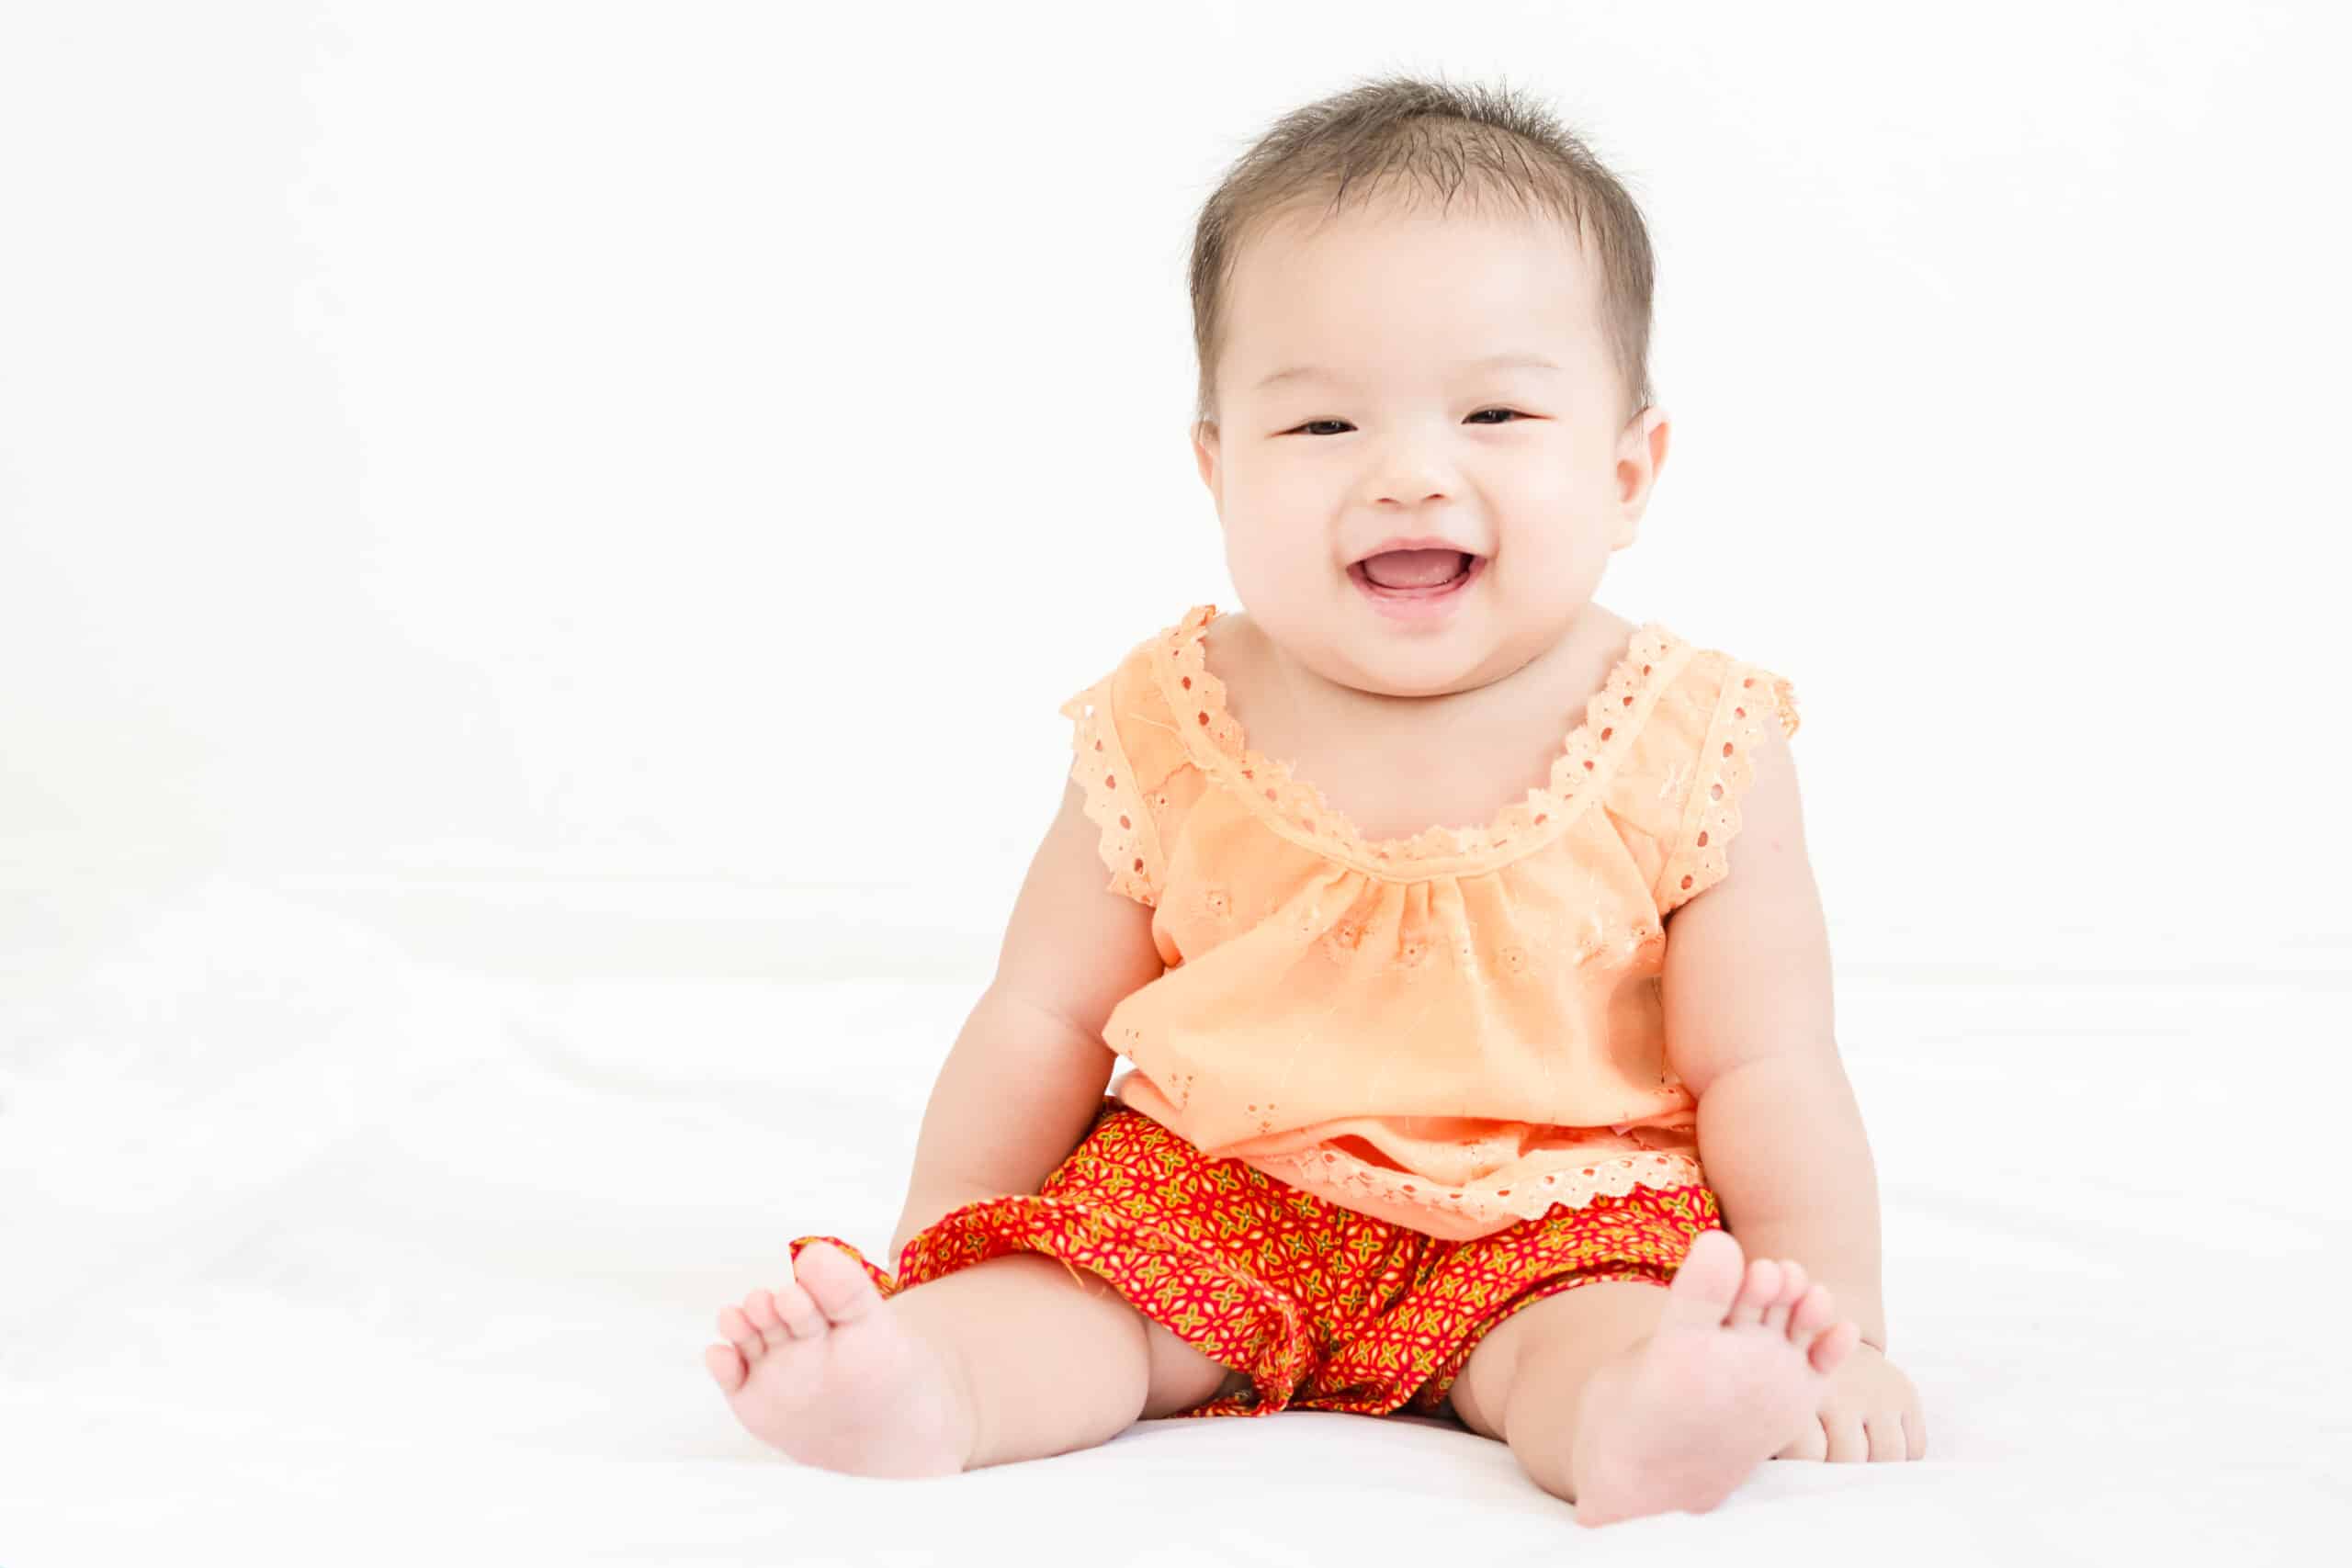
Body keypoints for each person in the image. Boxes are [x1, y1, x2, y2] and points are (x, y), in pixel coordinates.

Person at [702, 72, 1925, 1528]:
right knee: (1069, 1301)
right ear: (1218, 471)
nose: (1409, 475)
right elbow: (1039, 1013)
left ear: (1626, 471)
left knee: (1604, 1327)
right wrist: (942, 1251)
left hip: (1556, 1211)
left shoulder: (1690, 735)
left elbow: (1768, 1062)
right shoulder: (1172, 721)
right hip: (1209, 1189)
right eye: (1321, 430)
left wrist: (1840, 1312)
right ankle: (928, 1391)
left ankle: (1643, 1422)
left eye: (1493, 411)